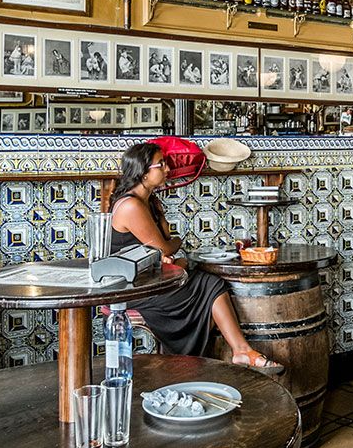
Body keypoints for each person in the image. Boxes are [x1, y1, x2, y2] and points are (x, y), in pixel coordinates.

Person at [108, 142, 284, 373]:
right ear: (142, 171)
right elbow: (166, 247)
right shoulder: (131, 205)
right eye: (161, 164)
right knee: (209, 284)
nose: (168, 169)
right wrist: (175, 247)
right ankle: (230, 354)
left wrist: (167, 241)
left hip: (150, 279)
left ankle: (234, 353)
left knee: (208, 282)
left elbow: (162, 245)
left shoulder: (147, 201)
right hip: (135, 289)